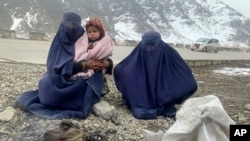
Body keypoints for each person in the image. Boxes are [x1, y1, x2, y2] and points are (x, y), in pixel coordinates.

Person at [16, 12, 113, 119]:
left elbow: (100, 52)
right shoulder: (60, 41)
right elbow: (55, 68)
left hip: (80, 78)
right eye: (69, 25)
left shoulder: (84, 36)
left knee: (85, 82)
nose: (72, 28)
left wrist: (108, 63)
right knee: (45, 84)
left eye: (75, 25)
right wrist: (84, 65)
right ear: (63, 25)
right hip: (59, 77)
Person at [113, 30, 198, 120]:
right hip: (141, 102)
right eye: (147, 45)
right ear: (142, 44)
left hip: (164, 99)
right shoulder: (137, 57)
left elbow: (182, 71)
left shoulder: (168, 53)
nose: (150, 49)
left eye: (153, 45)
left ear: (160, 43)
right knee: (141, 113)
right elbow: (123, 69)